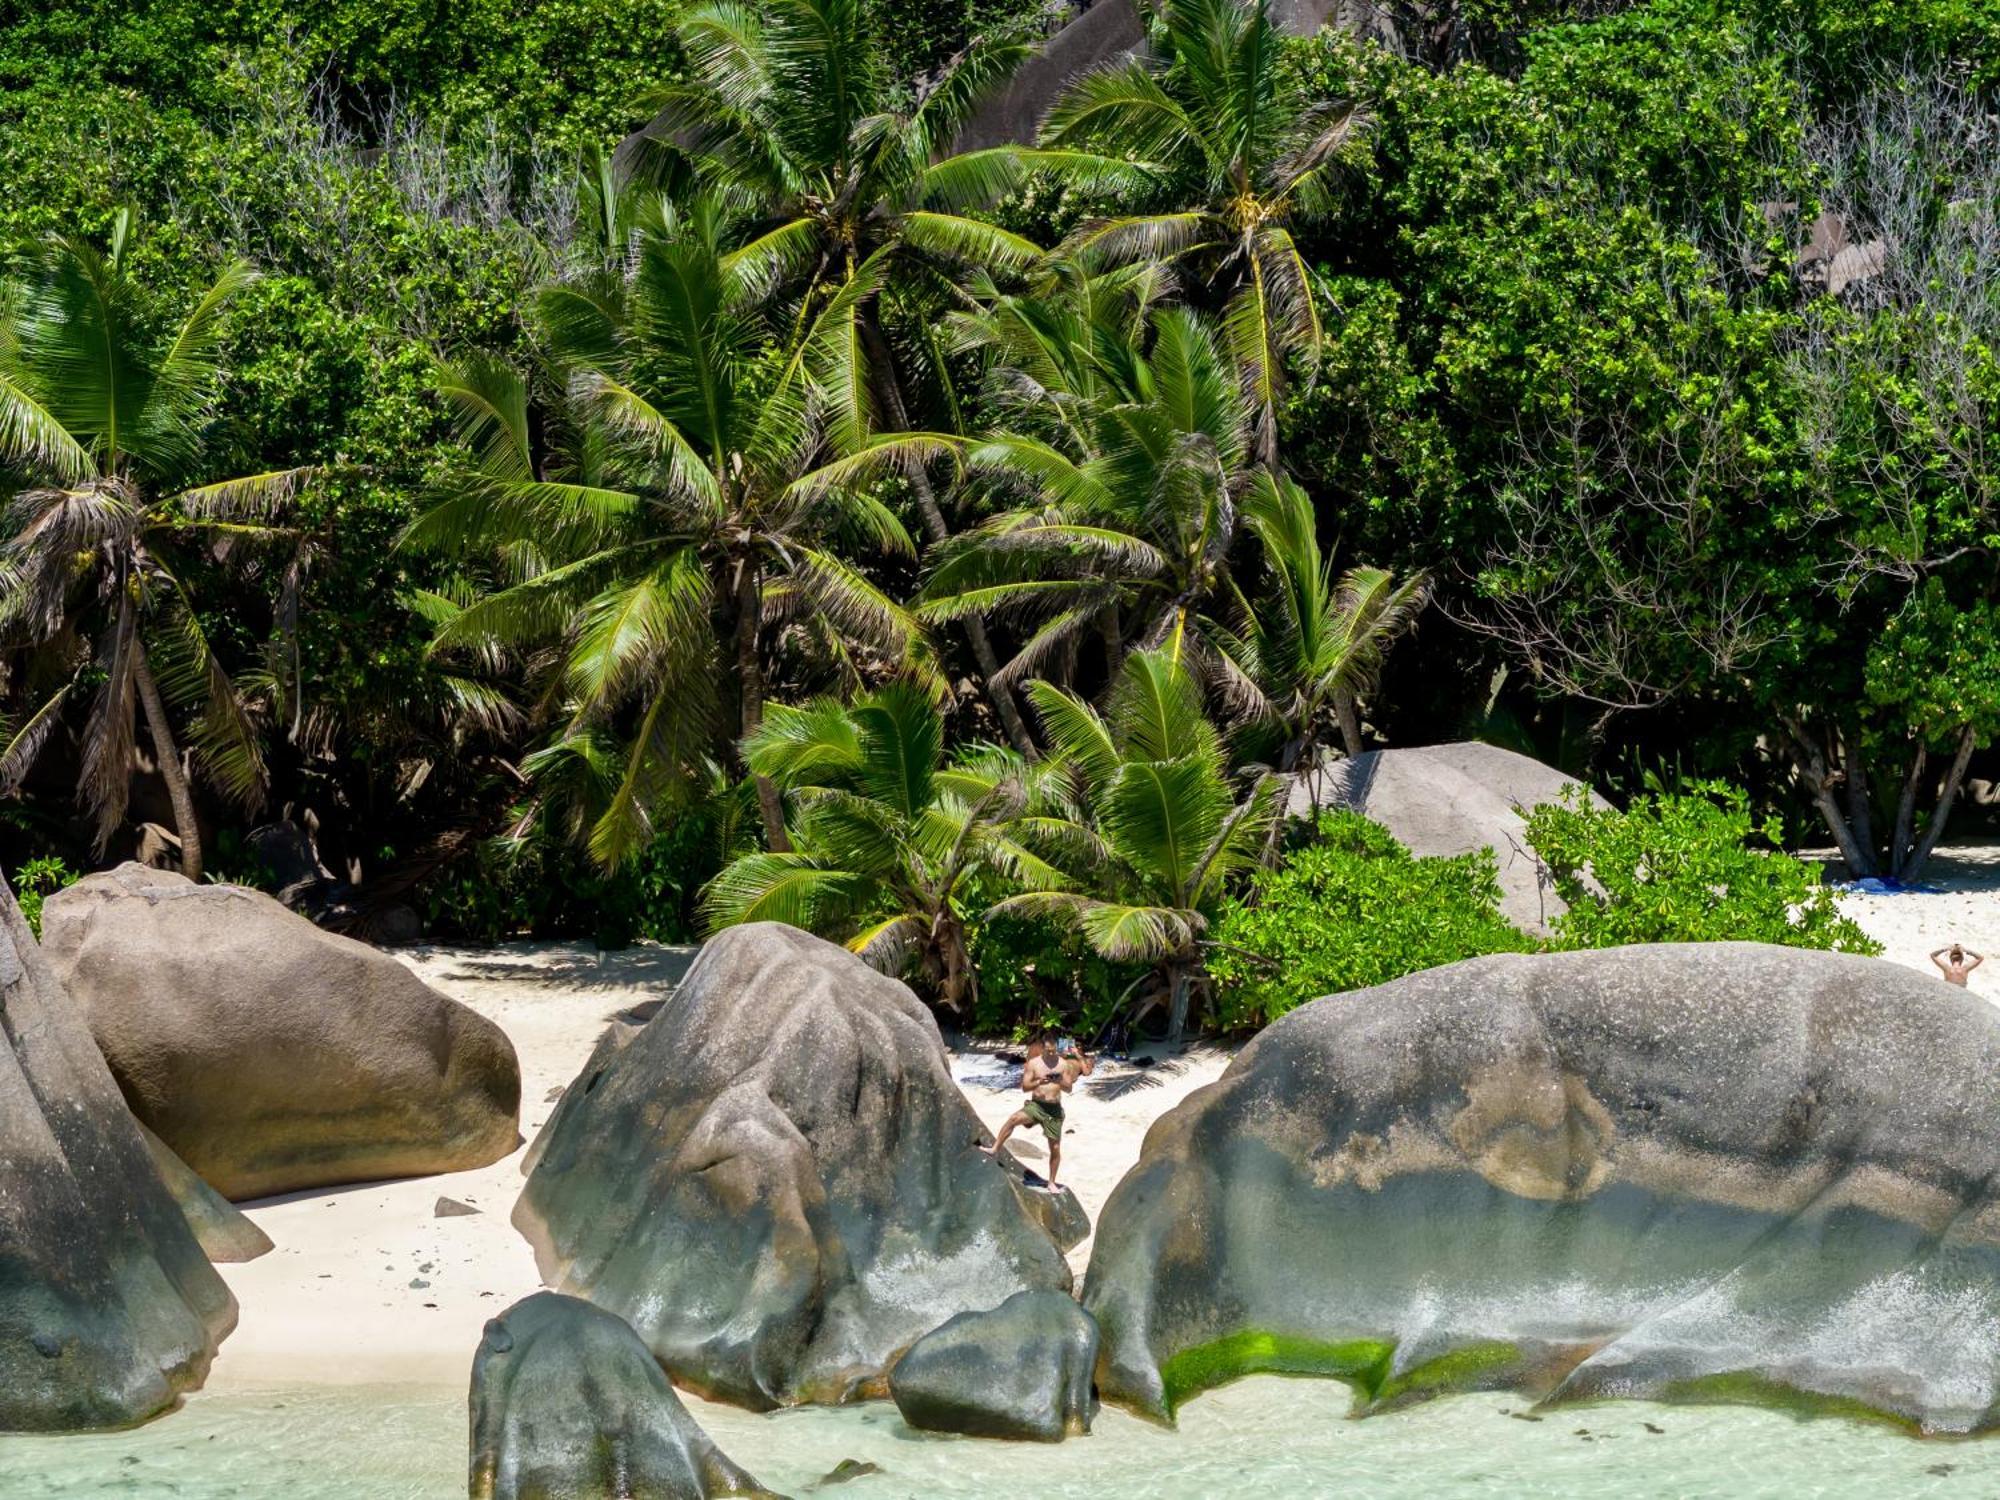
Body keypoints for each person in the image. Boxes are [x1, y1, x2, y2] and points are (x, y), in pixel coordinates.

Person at [982, 1033, 1094, 1189]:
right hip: (1036, 1106)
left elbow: (1069, 1088)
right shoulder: (1034, 1064)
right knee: (1014, 1118)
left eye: (1052, 1050)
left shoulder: (1065, 1064)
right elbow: (1025, 1087)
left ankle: (1051, 1182)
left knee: (1054, 1148)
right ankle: (994, 1148)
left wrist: (1059, 1079)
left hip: (1053, 1109)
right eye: (1047, 1050)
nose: (1050, 1053)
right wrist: (1038, 1082)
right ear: (1043, 1049)